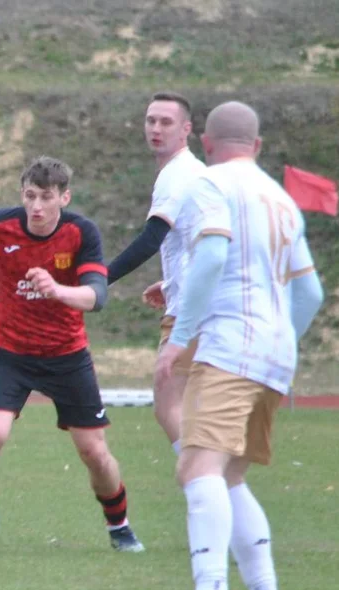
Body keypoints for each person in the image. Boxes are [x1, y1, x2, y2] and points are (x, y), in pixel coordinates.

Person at [150, 101, 324, 590]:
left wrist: (179, 337)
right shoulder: (282, 198)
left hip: (228, 347)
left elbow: (215, 257)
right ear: (259, 145)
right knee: (228, 476)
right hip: (274, 355)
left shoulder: (208, 184)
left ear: (204, 141)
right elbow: (310, 293)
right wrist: (278, 346)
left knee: (197, 467)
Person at [0, 155, 145, 552]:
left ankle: (120, 527)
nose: (37, 206)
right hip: (9, 352)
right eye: (30, 196)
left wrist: (57, 290)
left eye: (46, 197)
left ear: (65, 197)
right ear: (21, 196)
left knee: (94, 452)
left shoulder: (81, 233)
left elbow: (97, 296)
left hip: (67, 355)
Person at [105, 92, 206, 454]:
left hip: (191, 313)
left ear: (187, 129)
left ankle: (204, 483)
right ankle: (212, 483)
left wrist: (99, 280)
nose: (156, 129)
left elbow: (151, 239)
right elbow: (204, 242)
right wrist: (171, 282)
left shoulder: (176, 175)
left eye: (166, 122)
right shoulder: (194, 172)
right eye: (151, 121)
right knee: (195, 410)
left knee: (168, 406)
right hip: (204, 301)